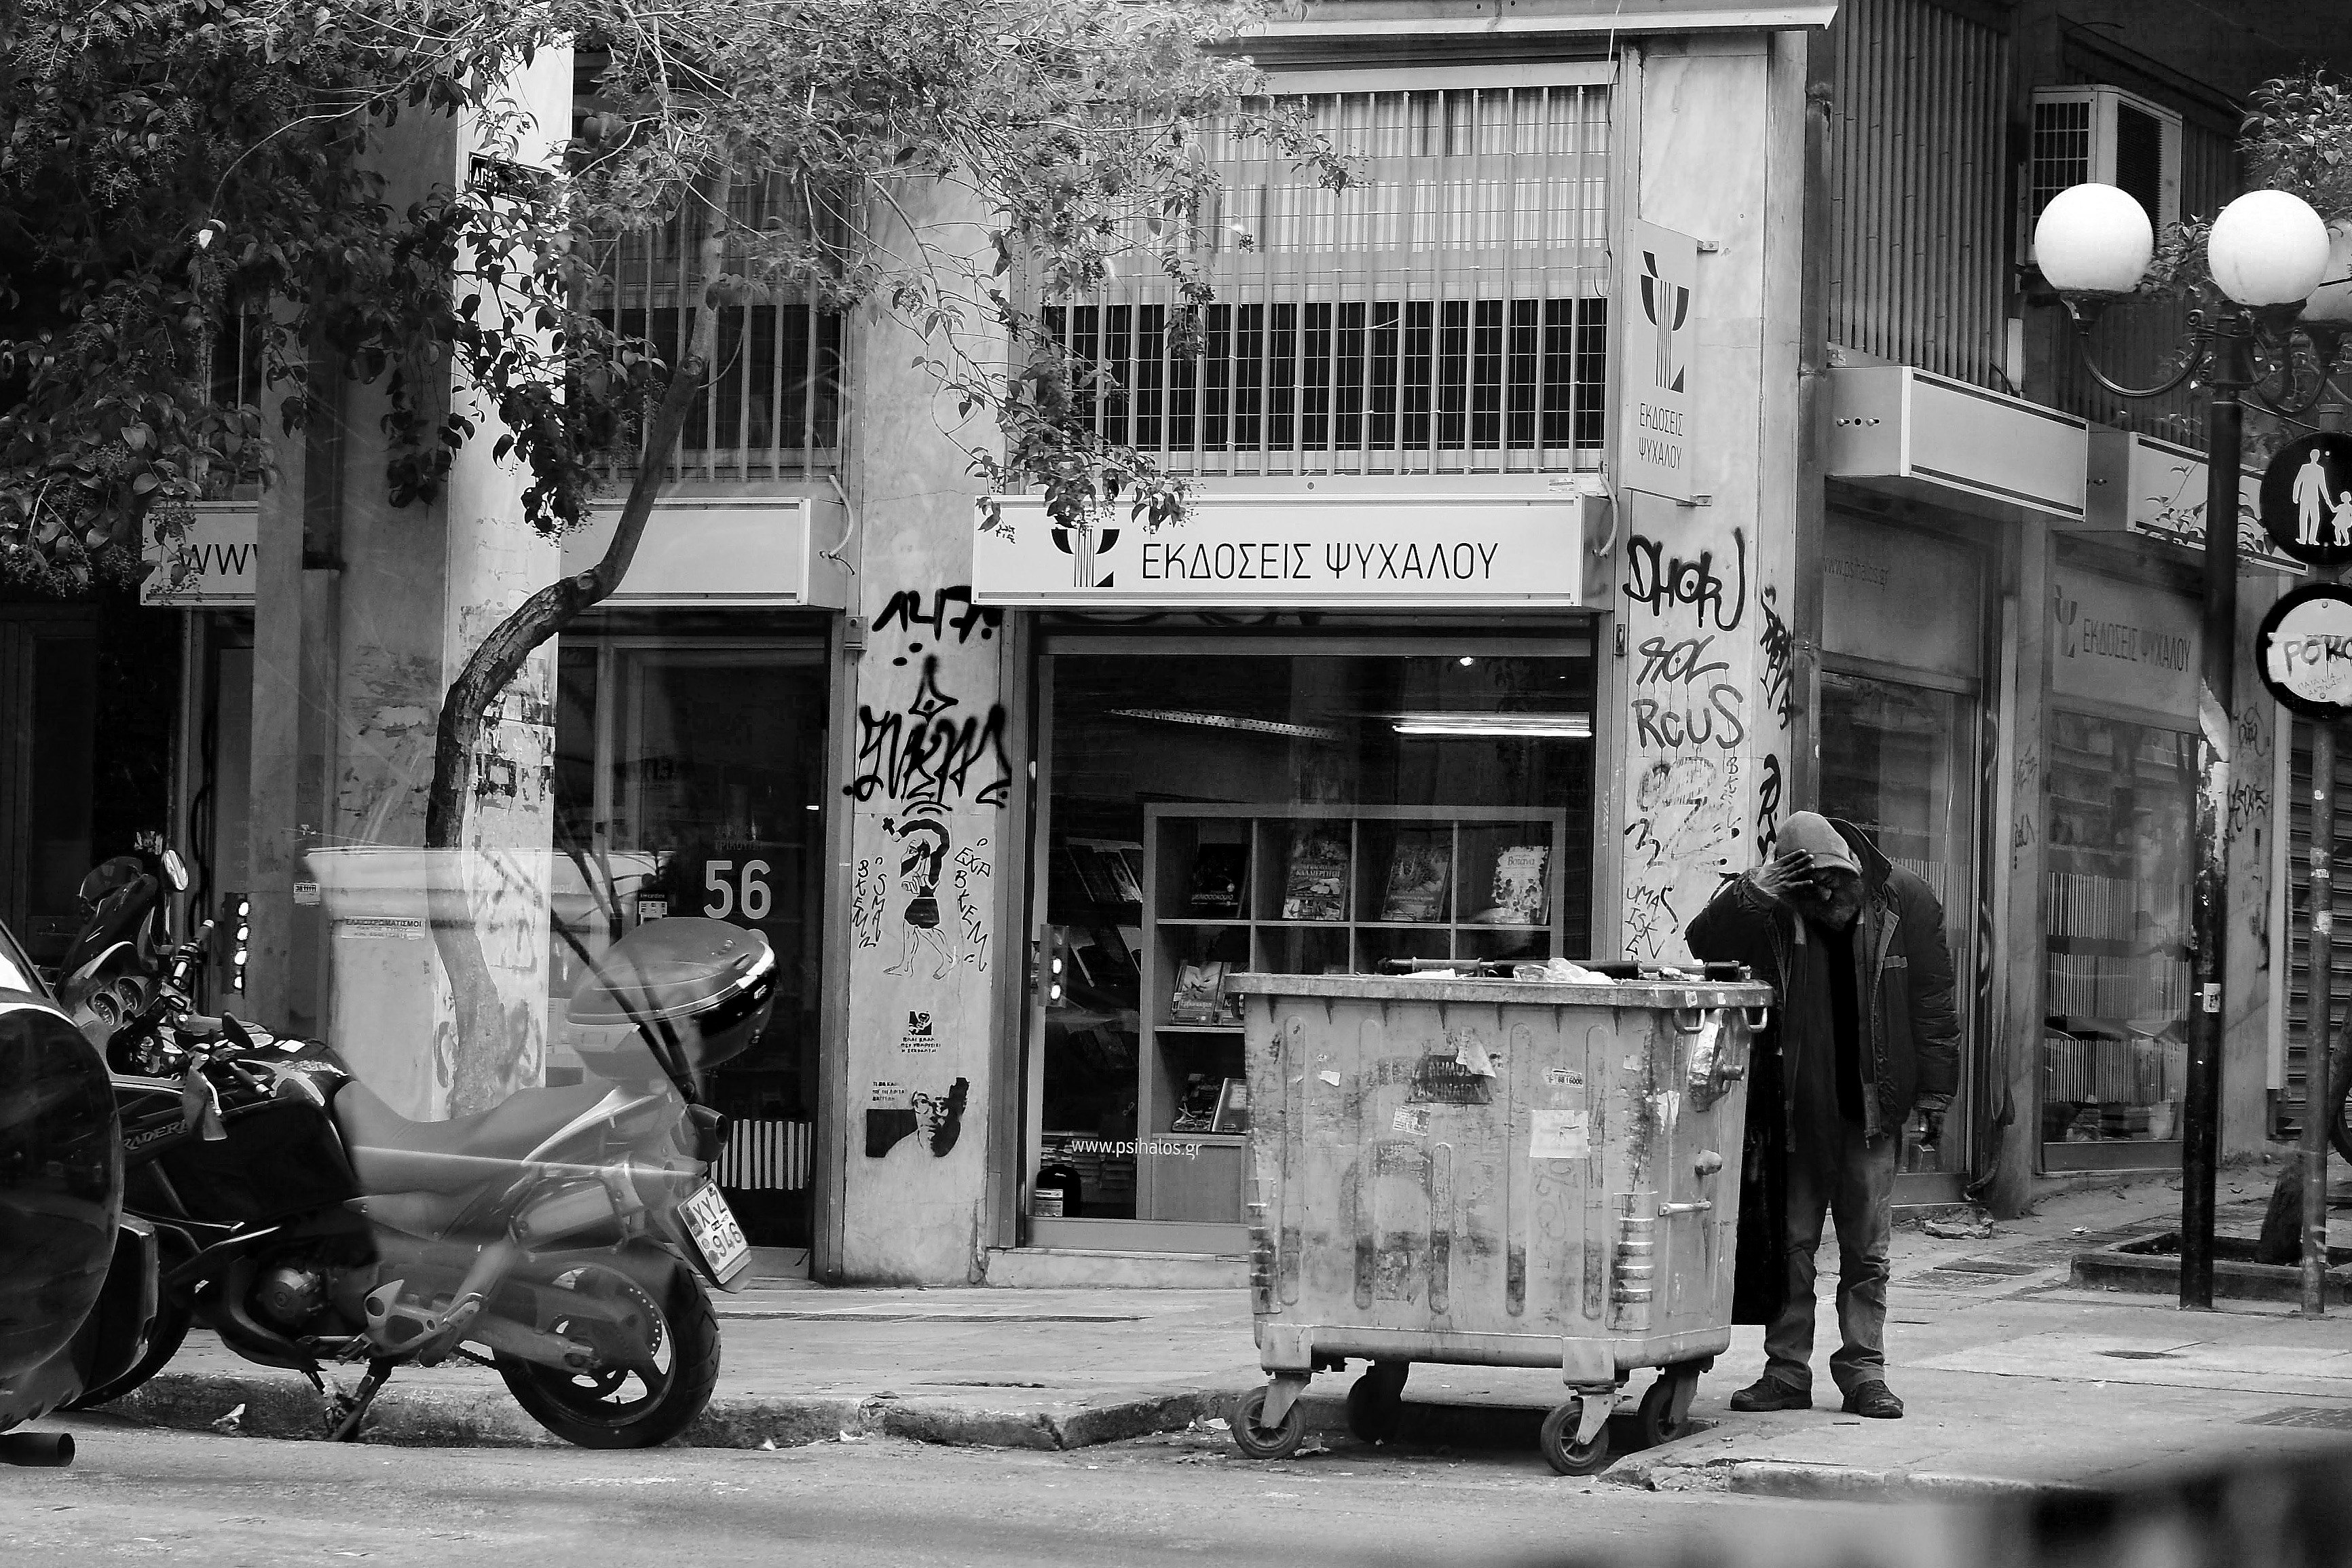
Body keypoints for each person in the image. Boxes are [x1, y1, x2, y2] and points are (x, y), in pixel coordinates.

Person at [1685, 811, 1958, 1421]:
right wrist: (1755, 894)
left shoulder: (1904, 898)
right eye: (1816, 886)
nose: (1829, 895)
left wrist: (1934, 1100)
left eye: (1837, 881)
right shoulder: (1771, 903)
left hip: (1871, 1110)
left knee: (1867, 1252)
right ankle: (1785, 1372)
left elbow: (1932, 1003)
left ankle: (1864, 1373)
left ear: (1855, 866)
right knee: (1790, 1248)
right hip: (1790, 1113)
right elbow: (1703, 944)